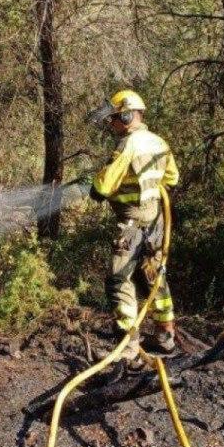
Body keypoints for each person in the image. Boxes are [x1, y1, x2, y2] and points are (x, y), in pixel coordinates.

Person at [88, 89, 179, 362]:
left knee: (120, 280)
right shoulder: (159, 142)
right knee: (154, 276)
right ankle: (166, 335)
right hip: (156, 222)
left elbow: (104, 185)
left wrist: (95, 189)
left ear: (127, 116)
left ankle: (126, 349)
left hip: (131, 224)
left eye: (114, 118)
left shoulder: (127, 145)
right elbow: (171, 179)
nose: (111, 124)